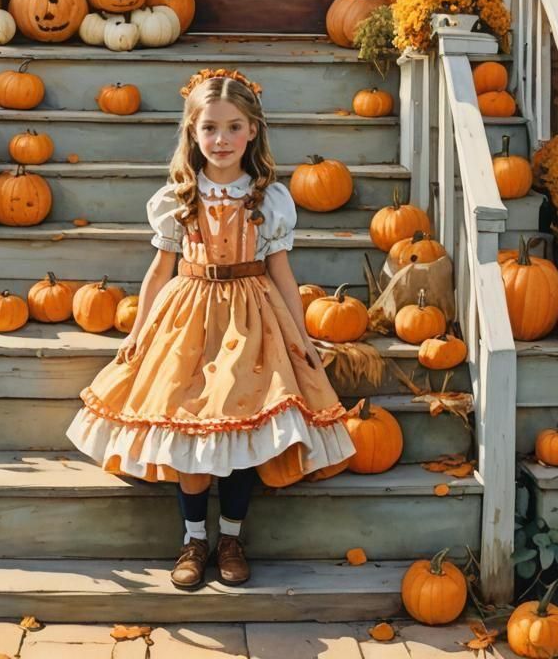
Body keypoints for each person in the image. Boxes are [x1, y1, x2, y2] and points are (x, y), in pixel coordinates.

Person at [66, 67, 355, 590]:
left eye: (233, 127)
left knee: (240, 429)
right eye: (209, 128)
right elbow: (159, 272)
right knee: (189, 428)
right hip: (189, 318)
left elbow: (282, 273)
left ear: (253, 131)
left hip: (252, 317)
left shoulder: (268, 198)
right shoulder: (178, 196)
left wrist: (300, 335)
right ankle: (193, 538)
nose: (221, 139)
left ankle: (231, 537)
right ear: (192, 134)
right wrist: (138, 333)